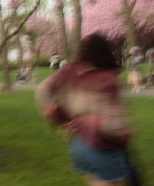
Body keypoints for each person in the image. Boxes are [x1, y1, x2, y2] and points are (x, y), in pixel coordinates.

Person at [36, 34, 136, 186]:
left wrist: (58, 117)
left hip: (79, 145)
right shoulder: (107, 79)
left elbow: (43, 89)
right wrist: (124, 134)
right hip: (101, 147)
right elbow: (112, 125)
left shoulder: (69, 71)